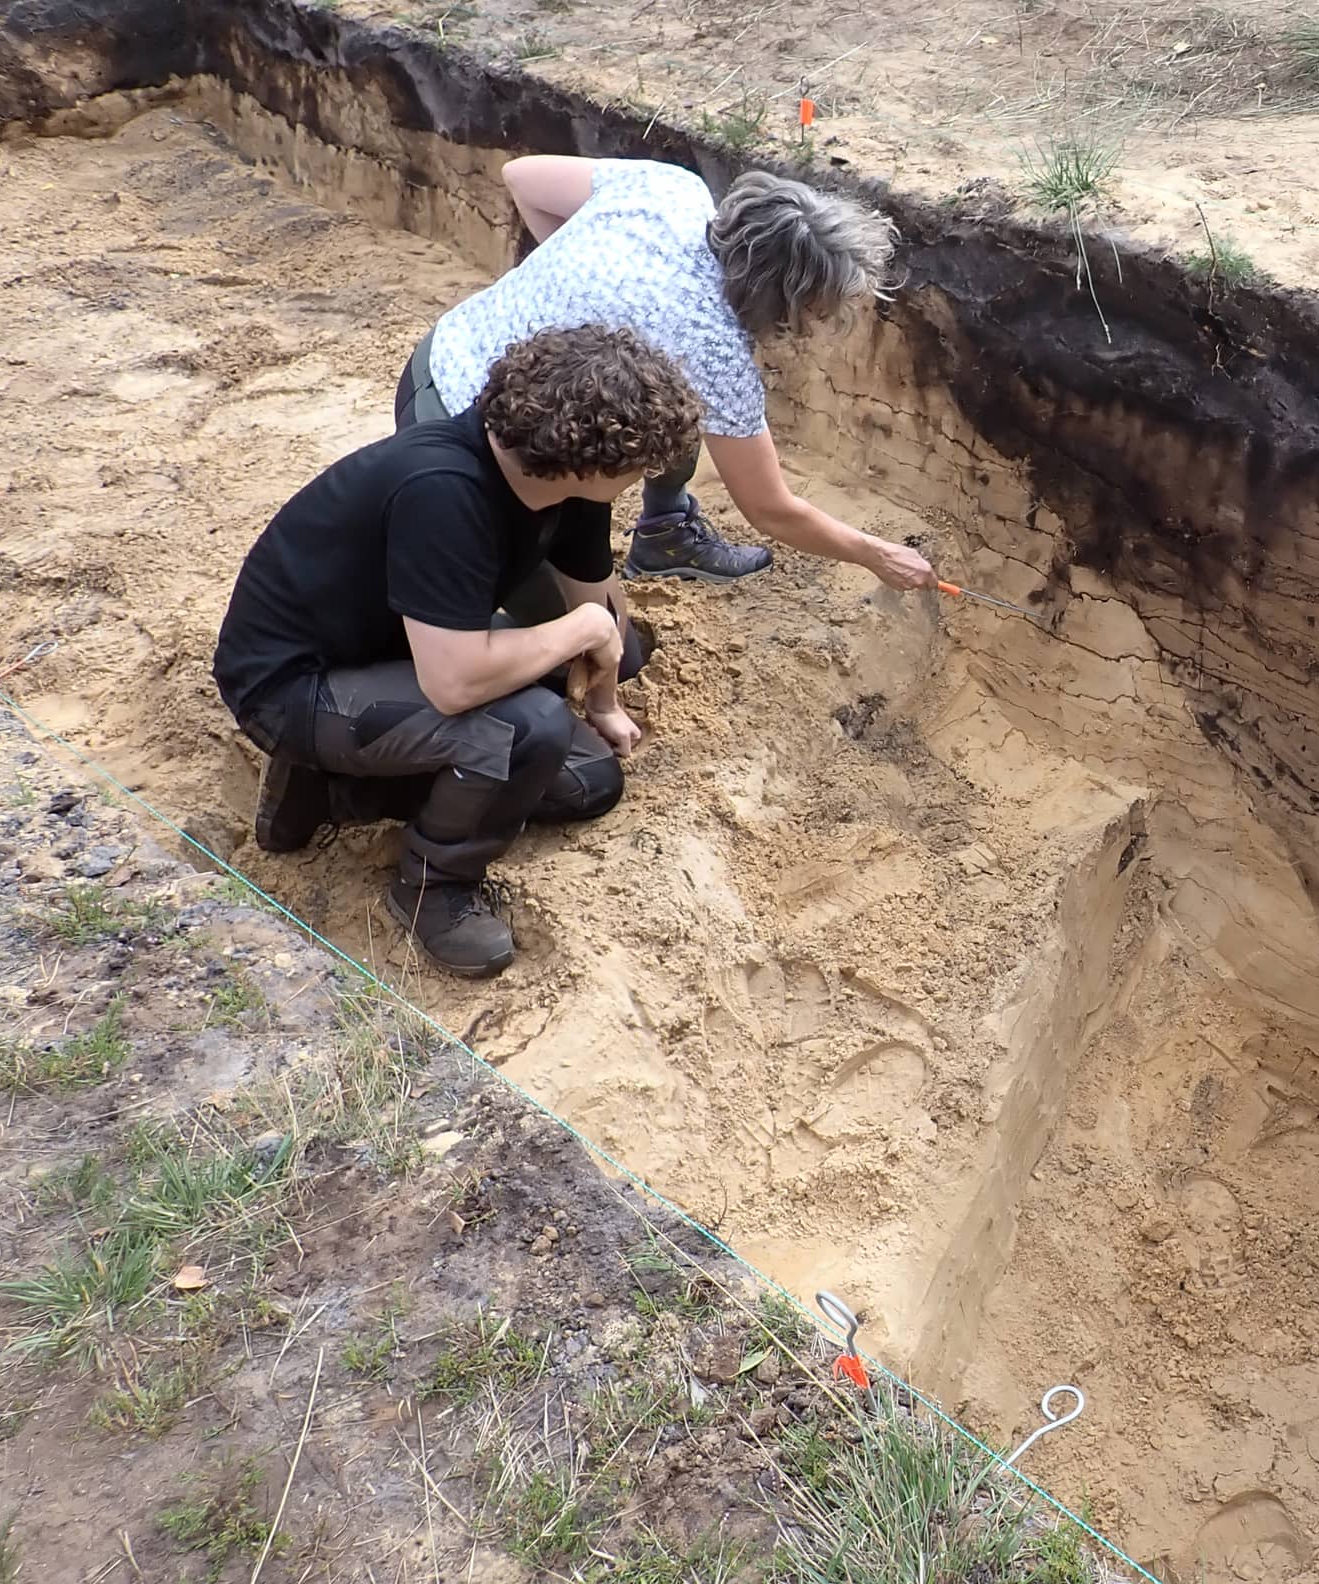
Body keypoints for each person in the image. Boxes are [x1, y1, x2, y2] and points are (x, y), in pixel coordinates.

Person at [213, 325, 704, 979]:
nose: (645, 475)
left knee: (588, 782)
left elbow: (600, 615)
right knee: (526, 730)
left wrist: (606, 702)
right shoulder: (443, 489)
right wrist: (582, 630)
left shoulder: (564, 484)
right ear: (592, 465)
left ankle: (334, 792)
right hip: (294, 688)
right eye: (640, 465)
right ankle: (433, 887)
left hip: (395, 657)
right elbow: (456, 683)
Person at [395, 153, 936, 594]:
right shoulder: (714, 350)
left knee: (666, 394)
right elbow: (771, 509)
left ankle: (664, 532)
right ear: (785, 297)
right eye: (818, 309)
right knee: (564, 634)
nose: (816, 324)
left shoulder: (669, 189)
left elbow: (522, 176)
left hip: (436, 356)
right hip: (473, 448)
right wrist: (875, 553)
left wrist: (568, 282)